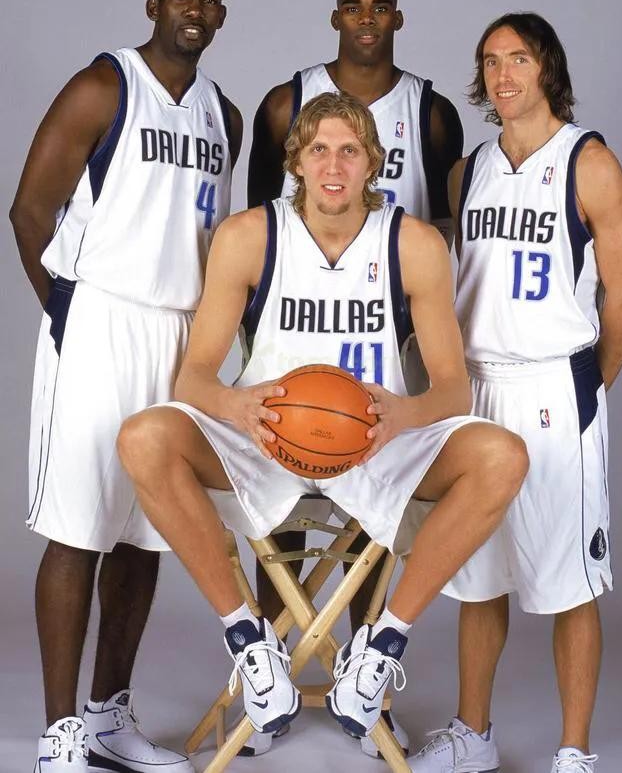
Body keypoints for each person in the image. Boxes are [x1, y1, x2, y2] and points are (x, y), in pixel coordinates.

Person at [117, 92, 529, 757]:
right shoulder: (249, 236)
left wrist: (404, 413)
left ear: (373, 162)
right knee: (143, 438)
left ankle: (380, 647)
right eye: (318, 150)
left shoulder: (414, 244)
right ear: (296, 162)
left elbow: (453, 388)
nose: (333, 166)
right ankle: (251, 641)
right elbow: (193, 379)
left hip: (375, 441)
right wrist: (236, 406)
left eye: (349, 151)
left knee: (503, 455)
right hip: (268, 440)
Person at [10, 0, 242, 772]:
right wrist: (67, 311)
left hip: (177, 335)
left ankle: (109, 716)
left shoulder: (225, 116)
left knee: (146, 533)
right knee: (79, 527)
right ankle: (59, 732)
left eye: (208, 1)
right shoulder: (103, 86)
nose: (194, 10)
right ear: (154, 5)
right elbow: (29, 209)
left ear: (221, 16)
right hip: (100, 320)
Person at [408, 13, 622, 773]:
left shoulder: (589, 162)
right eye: (490, 62)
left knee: (570, 582)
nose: (502, 75)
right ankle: (473, 734)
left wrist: (588, 388)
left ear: (547, 68)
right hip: (479, 387)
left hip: (554, 385)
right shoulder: (467, 170)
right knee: (480, 573)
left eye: (517, 59)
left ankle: (574, 750)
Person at [248, 0, 463, 755]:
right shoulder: (287, 100)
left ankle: (364, 678)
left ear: (397, 18)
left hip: (391, 333)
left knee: (377, 509)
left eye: (380, 7)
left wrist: (424, 331)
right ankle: (269, 672)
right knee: (284, 510)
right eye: (353, 6)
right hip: (299, 321)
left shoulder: (430, 110)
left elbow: (446, 226)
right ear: (335, 15)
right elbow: (260, 217)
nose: (366, 19)